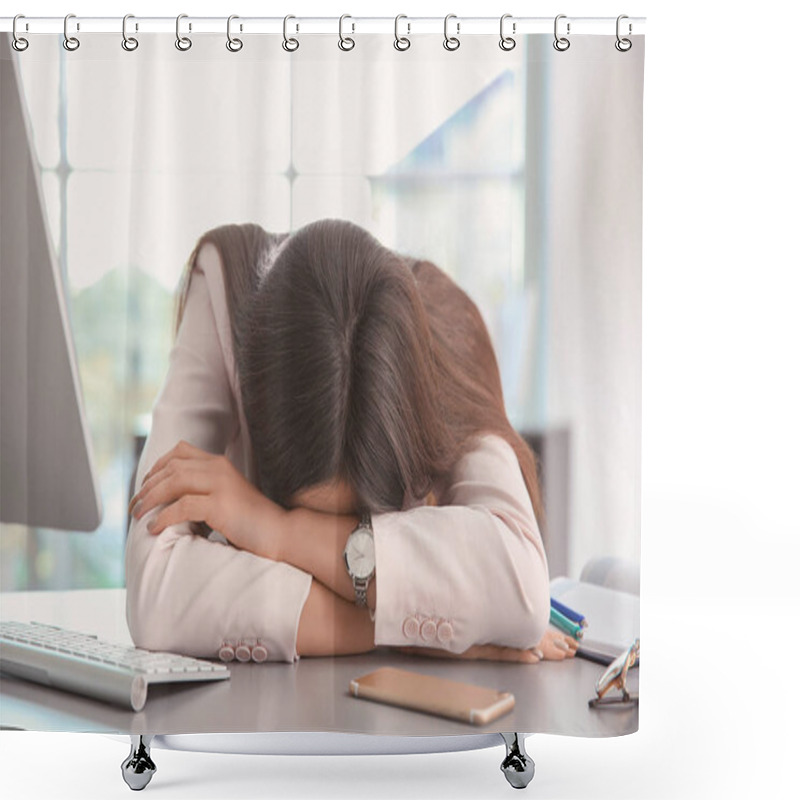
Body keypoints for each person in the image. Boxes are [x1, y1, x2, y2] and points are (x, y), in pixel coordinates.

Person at [125, 219, 578, 664]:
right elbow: (154, 596)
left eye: (359, 519)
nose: (330, 534)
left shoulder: (449, 338)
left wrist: (278, 531)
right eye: (304, 512)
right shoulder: (224, 290)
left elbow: (522, 584)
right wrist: (402, 629)